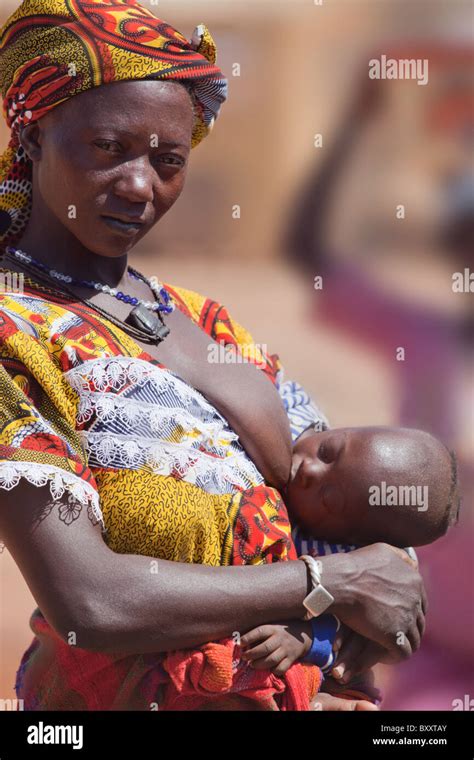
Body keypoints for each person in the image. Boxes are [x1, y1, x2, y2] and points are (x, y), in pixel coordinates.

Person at [0, 0, 427, 711]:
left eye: (168, 161)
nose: (140, 185)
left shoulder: (205, 320)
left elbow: (346, 499)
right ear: (35, 134)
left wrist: (362, 615)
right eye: (108, 147)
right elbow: (92, 603)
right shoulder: (17, 332)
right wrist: (335, 585)